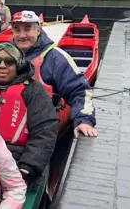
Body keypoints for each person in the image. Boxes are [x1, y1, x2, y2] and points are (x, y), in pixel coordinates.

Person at [0, 42, 59, 185]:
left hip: (16, 162)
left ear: (19, 65)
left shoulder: (33, 91)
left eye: (9, 62)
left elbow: (45, 131)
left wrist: (26, 167)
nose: (2, 66)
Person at [10, 10, 98, 138]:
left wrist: (83, 120)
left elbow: (79, 91)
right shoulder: (4, 54)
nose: (22, 35)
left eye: (27, 29)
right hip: (8, 120)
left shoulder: (57, 58)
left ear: (38, 30)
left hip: (40, 128)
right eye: (17, 30)